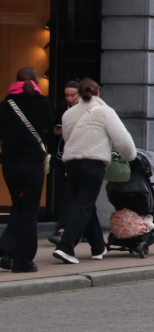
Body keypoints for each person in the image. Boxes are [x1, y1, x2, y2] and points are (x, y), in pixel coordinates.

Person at [55, 78, 136, 264]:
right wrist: (129, 157)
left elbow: (68, 138)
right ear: (98, 93)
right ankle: (65, 247)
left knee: (86, 204)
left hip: (72, 164)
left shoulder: (68, 114)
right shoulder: (106, 112)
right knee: (83, 206)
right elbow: (123, 141)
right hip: (94, 164)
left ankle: (98, 247)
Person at [0, 69, 54, 272]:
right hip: (33, 164)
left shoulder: (5, 106)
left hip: (10, 165)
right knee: (29, 210)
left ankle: (5, 249)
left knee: (18, 206)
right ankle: (23, 259)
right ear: (36, 82)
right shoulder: (43, 104)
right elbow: (49, 132)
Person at [46, 80, 82, 246]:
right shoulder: (61, 108)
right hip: (63, 156)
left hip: (81, 157)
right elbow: (51, 129)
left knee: (76, 196)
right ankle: (65, 229)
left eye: (72, 95)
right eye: (66, 95)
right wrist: (55, 131)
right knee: (66, 194)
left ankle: (66, 229)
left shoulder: (87, 109)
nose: (69, 98)